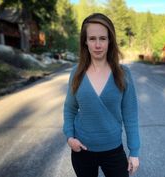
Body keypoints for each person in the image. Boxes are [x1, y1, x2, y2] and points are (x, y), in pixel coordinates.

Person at [63, 13, 140, 177]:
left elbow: (130, 115)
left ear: (110, 40)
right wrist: (70, 137)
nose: (97, 45)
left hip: (113, 151)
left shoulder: (123, 74)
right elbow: (70, 109)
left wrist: (134, 152)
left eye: (102, 38)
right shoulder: (76, 73)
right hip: (82, 150)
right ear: (85, 41)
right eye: (92, 38)